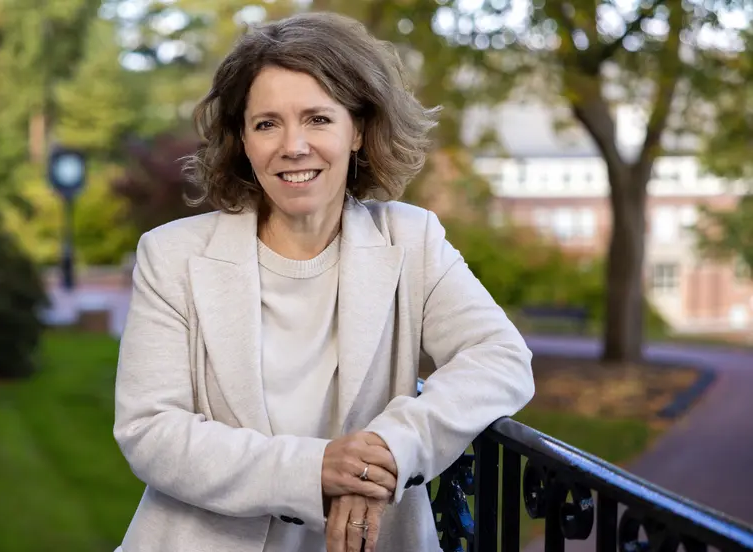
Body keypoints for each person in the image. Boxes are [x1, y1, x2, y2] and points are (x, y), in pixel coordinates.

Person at [113, 11, 535, 552]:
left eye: (317, 118)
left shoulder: (412, 240)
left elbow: (501, 358)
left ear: (358, 129)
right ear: (242, 139)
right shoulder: (172, 254)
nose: (293, 146)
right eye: (266, 123)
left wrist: (389, 446)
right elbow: (151, 431)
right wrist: (317, 470)